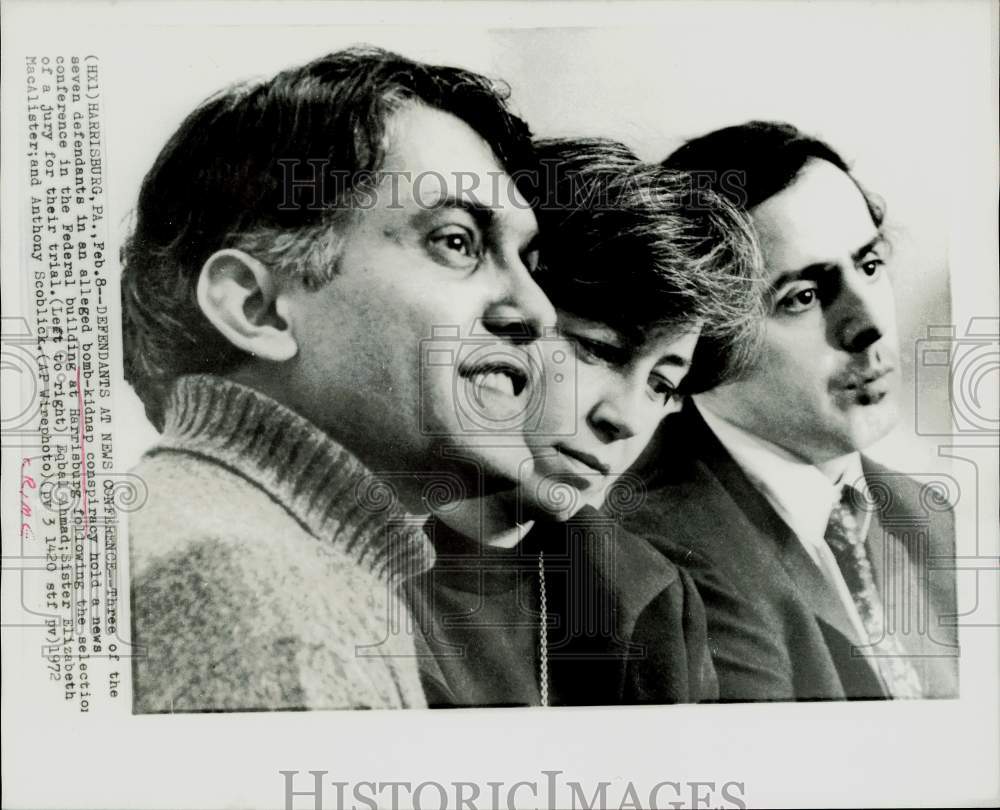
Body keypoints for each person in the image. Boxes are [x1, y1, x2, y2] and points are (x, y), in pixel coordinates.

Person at [120, 46, 564, 712]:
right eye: (456, 241)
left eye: (526, 259)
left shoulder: (244, 543)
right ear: (258, 307)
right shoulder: (256, 594)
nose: (536, 310)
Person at [403, 137, 766, 707]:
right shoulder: (347, 554)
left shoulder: (648, 597)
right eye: (596, 349)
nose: (624, 419)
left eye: (661, 384)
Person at [622, 121, 959, 701]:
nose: (867, 323)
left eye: (870, 266)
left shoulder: (924, 518)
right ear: (702, 340)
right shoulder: (661, 561)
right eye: (802, 297)